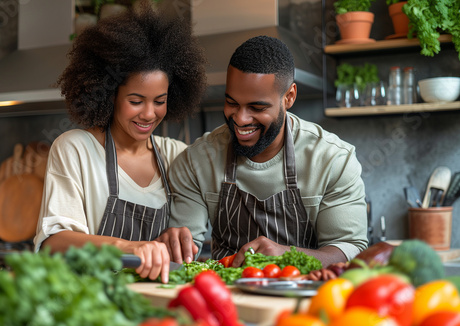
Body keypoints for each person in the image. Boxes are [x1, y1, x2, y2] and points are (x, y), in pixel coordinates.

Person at [157, 36, 368, 268]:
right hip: (227, 298)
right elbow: (185, 252)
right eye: (232, 103)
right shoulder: (196, 161)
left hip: (308, 298)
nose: (240, 119)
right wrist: (176, 246)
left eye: (257, 107)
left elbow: (351, 249)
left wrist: (287, 256)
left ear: (289, 98)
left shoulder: (332, 159)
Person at [33, 1, 207, 283]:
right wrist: (127, 248)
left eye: (159, 101)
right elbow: (54, 244)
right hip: (89, 305)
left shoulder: (177, 156)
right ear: (109, 94)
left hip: (152, 308)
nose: (149, 114)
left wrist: (179, 236)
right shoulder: (76, 149)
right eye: (136, 101)